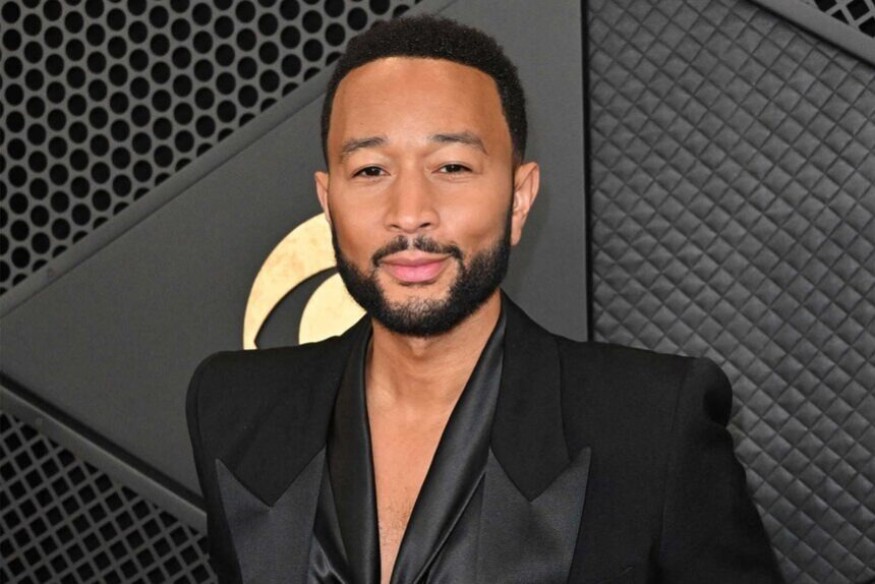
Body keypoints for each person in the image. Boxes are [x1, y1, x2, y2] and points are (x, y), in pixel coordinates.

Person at [187, 15, 783, 584]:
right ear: (328, 202)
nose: (409, 213)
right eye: (370, 171)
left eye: (452, 166)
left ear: (518, 199)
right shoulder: (233, 408)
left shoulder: (651, 423)